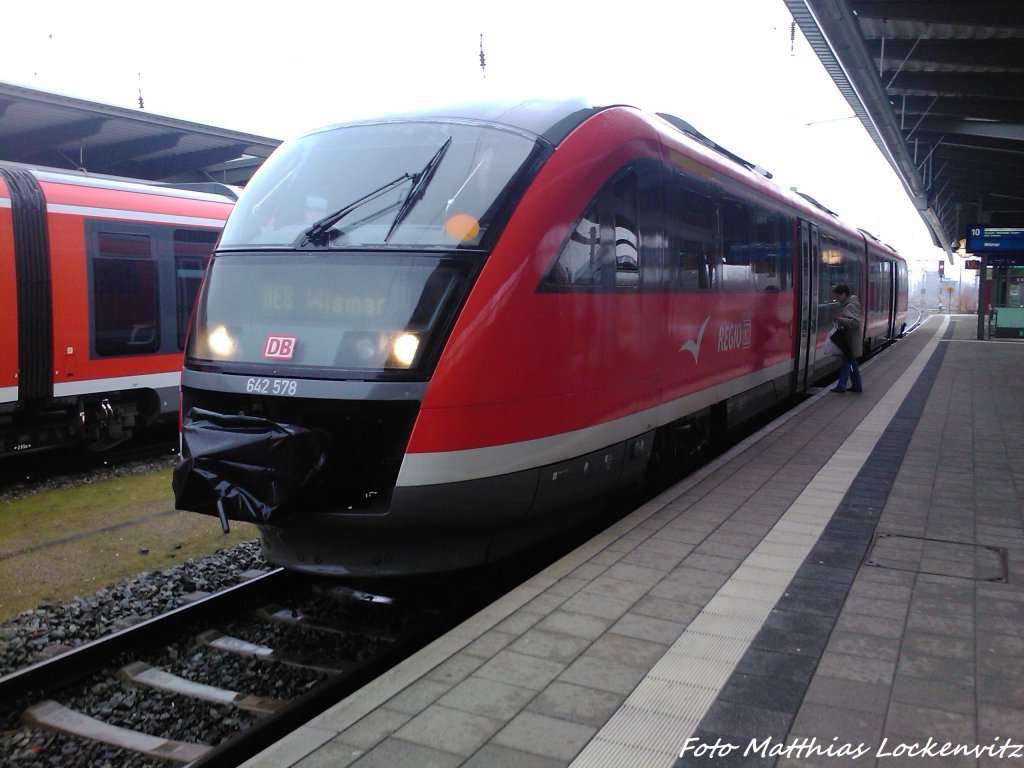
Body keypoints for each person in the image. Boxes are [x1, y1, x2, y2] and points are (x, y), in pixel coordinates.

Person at [830, 284, 863, 393]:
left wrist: (841, 320)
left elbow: (855, 323)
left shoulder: (850, 306)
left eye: (838, 296)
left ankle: (842, 385)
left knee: (848, 362)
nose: (838, 299)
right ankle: (856, 385)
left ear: (844, 294)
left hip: (850, 340)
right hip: (849, 340)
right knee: (851, 363)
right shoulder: (849, 304)